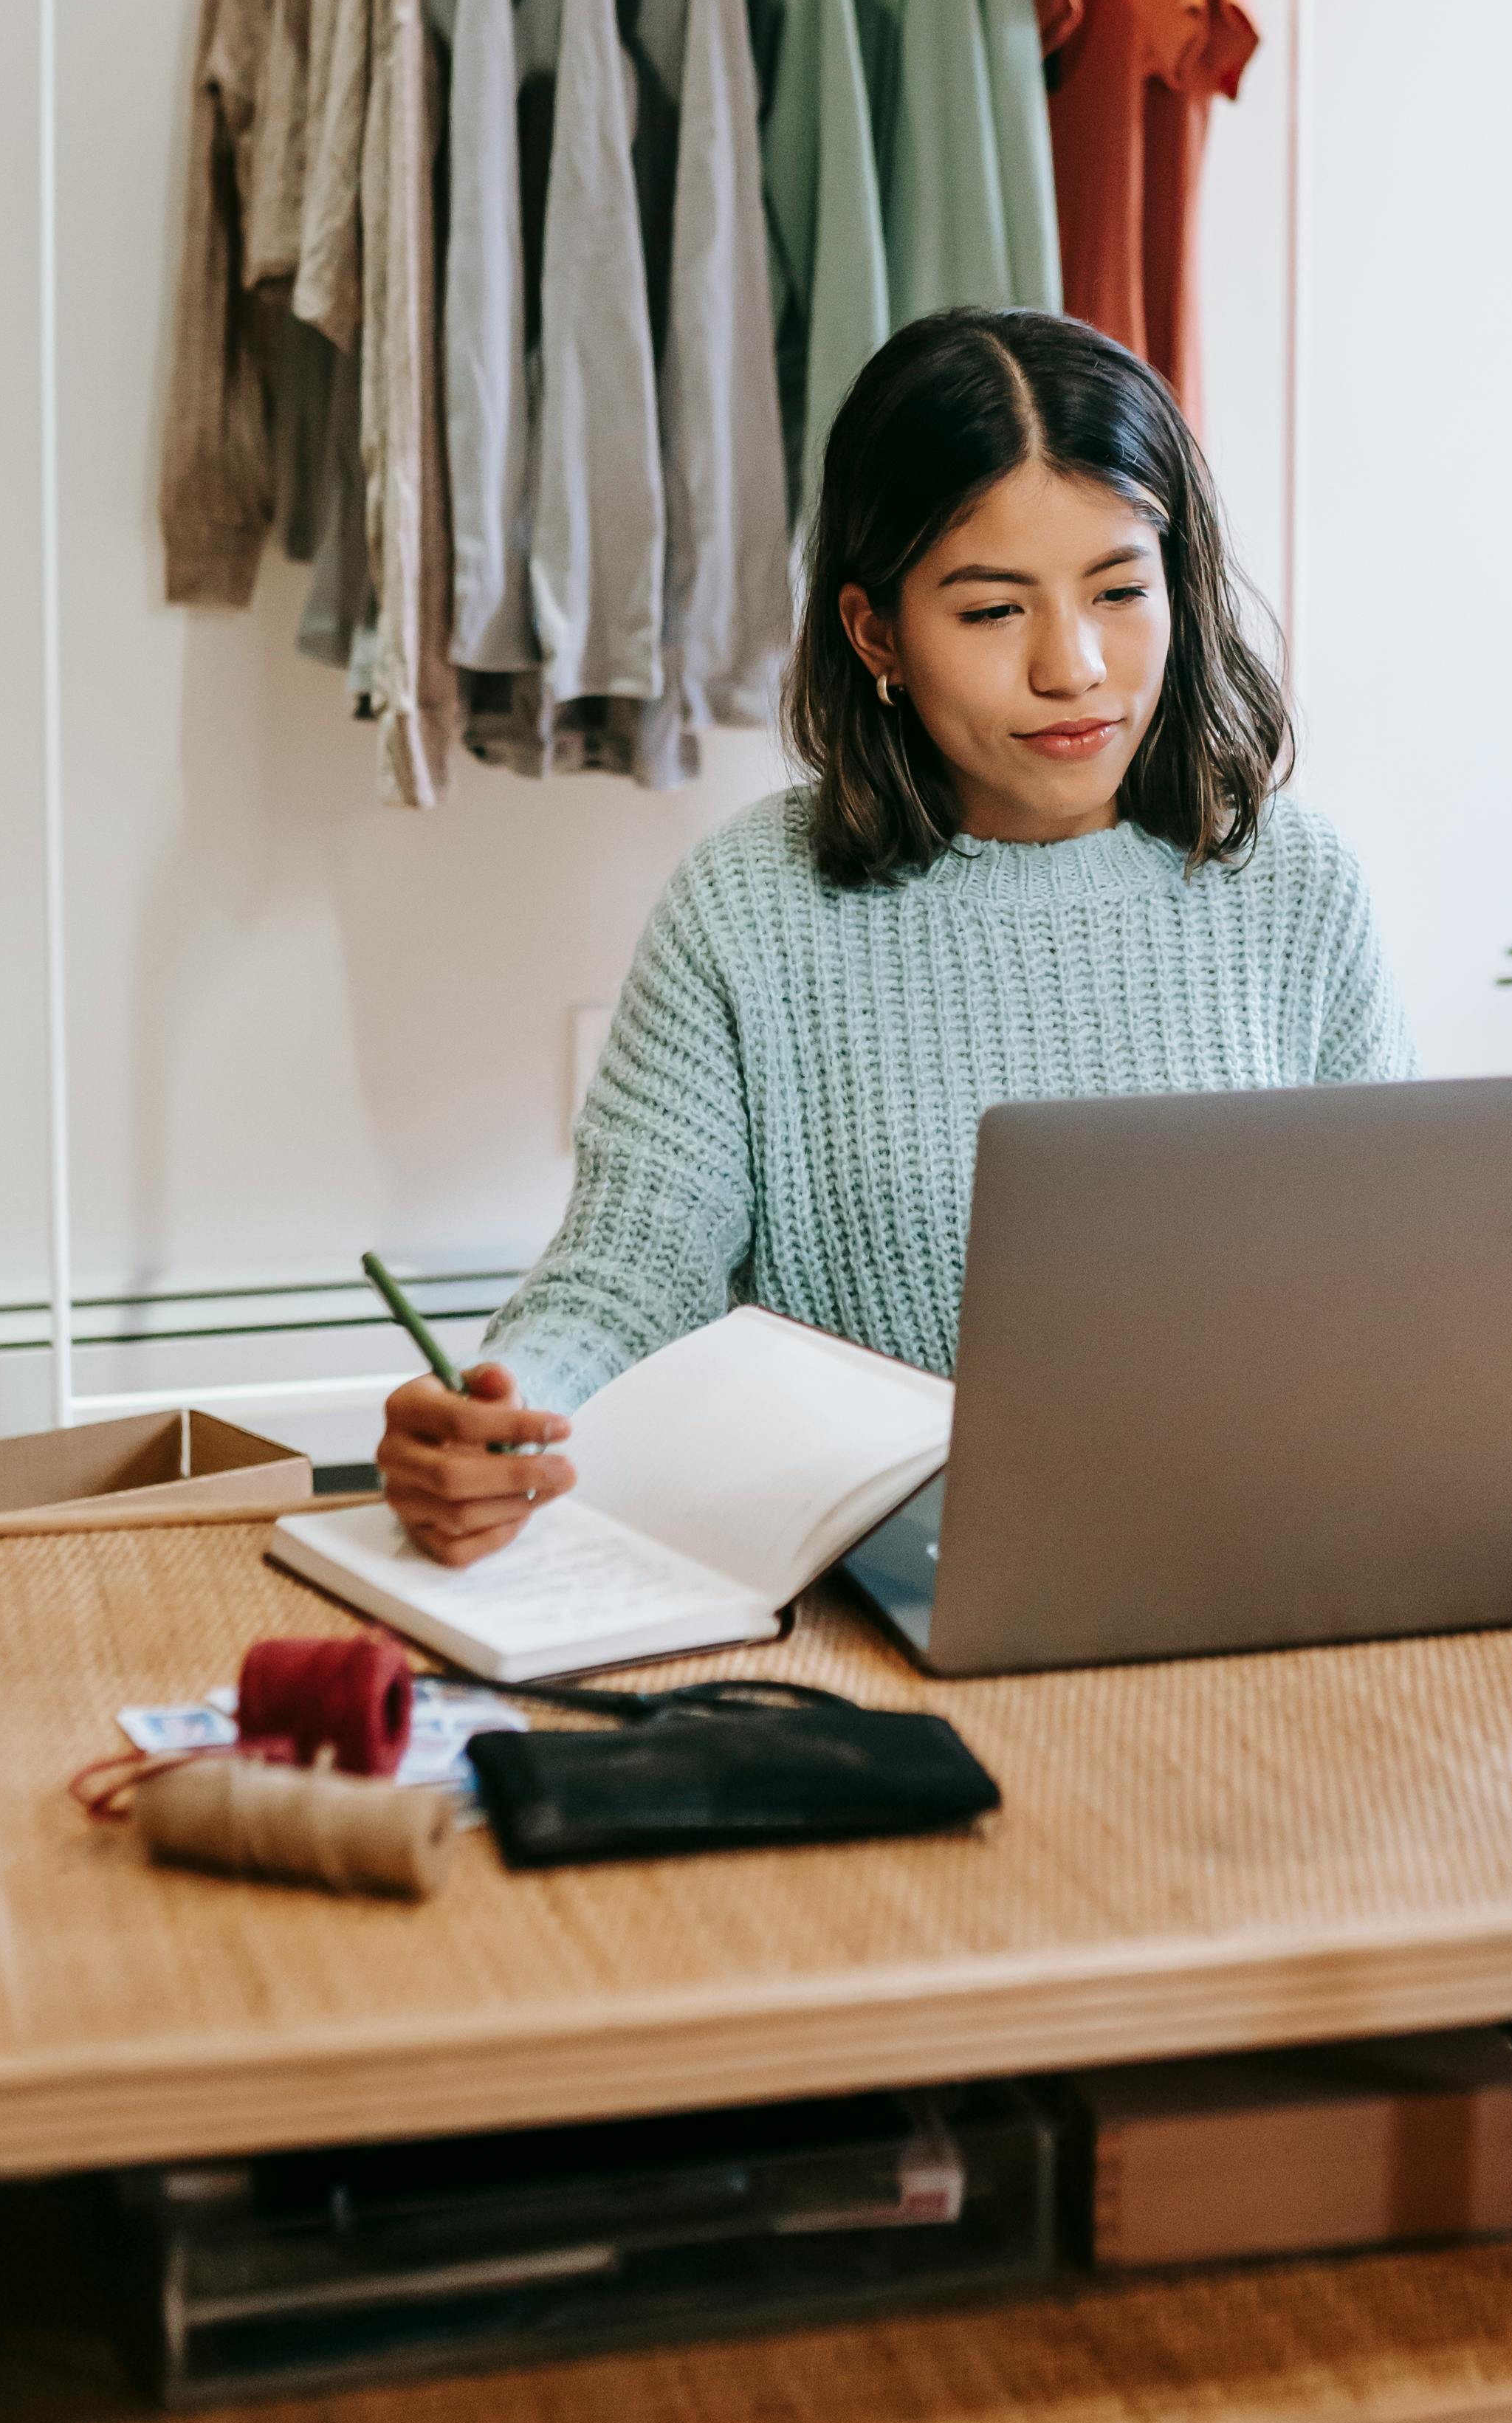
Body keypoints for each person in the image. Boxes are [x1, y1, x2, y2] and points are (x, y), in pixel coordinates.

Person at [376, 306, 1412, 1562]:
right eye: (990, 613)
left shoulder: (1296, 883)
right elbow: (625, 1281)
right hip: (876, 1601)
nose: (1075, 667)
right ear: (877, 634)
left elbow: (1395, 1294)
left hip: (1253, 1565)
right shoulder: (748, 909)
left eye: (1121, 591)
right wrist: (499, 1415)